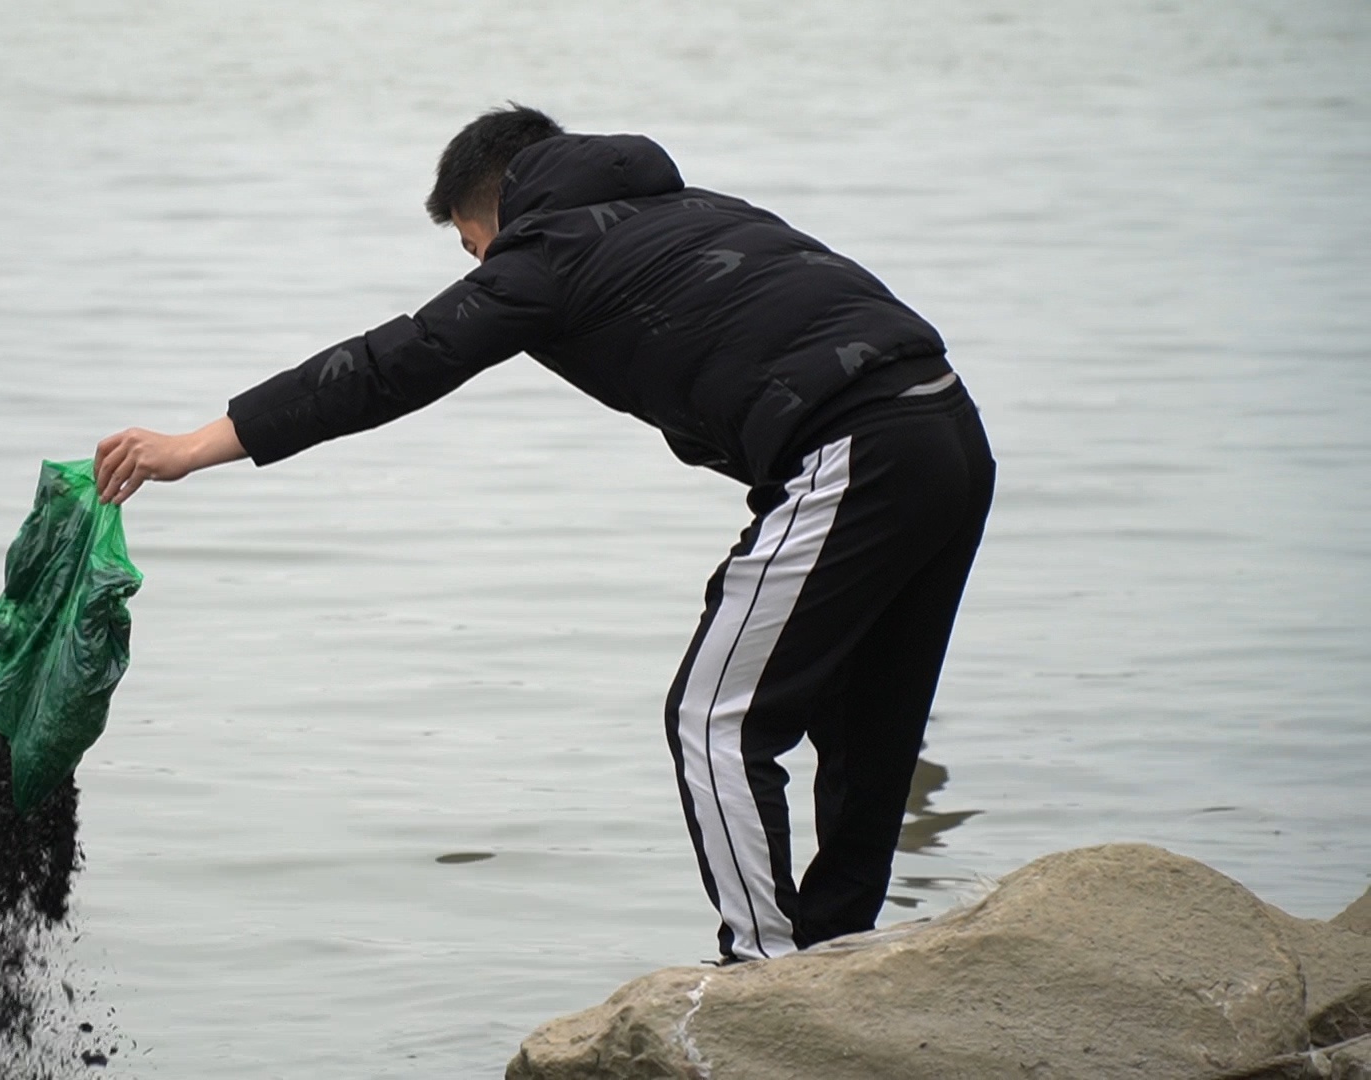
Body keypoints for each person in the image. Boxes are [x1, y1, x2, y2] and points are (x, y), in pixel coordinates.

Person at [92, 105, 995, 964]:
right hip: (950, 429)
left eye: (466, 243)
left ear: (485, 208)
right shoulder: (697, 210)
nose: (477, 262)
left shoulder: (547, 252)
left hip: (856, 447)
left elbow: (394, 363)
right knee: (867, 729)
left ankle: (765, 973)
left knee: (712, 717)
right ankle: (837, 956)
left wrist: (194, 447)